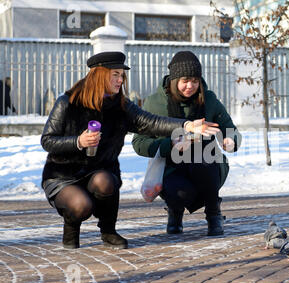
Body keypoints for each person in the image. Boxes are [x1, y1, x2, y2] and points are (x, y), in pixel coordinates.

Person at [41, 51, 220, 249]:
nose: (120, 80)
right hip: (63, 174)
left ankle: (108, 231)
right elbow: (48, 140)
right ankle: (71, 228)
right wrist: (79, 142)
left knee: (106, 180)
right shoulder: (68, 102)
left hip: (99, 171)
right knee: (81, 205)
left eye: (122, 75)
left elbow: (151, 122)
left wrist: (187, 126)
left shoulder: (122, 106)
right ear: (100, 75)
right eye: (115, 75)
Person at [132, 51, 241, 236]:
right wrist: (170, 145)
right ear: (174, 80)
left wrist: (230, 140)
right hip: (172, 168)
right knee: (180, 193)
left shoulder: (209, 100)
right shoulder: (155, 103)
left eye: (195, 81)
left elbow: (229, 129)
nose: (190, 86)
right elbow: (139, 143)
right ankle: (175, 211)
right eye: (185, 81)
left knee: (204, 162)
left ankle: (214, 214)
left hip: (207, 166)